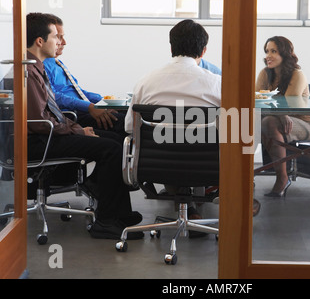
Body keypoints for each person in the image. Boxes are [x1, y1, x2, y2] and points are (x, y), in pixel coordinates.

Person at [25, 12, 142, 240]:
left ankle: (119, 214)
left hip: (51, 134)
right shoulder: (29, 73)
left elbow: (52, 114)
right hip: (41, 141)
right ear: (40, 41)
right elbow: (40, 121)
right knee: (111, 149)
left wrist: (79, 129)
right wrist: (78, 129)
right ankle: (106, 222)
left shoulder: (37, 68)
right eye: (55, 37)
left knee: (116, 142)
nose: (60, 42)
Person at [125, 19, 221, 233]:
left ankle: (185, 205)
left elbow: (130, 128)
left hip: (158, 165)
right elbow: (236, 132)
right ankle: (195, 208)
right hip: (207, 165)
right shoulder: (217, 83)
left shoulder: (145, 82)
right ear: (203, 51)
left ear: (171, 47)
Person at [43, 14, 126, 139]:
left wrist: (101, 102)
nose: (63, 42)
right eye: (58, 37)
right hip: (71, 114)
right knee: (124, 123)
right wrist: (89, 106)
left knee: (125, 114)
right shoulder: (43, 66)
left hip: (82, 109)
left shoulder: (58, 63)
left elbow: (77, 91)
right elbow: (53, 97)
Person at [256, 36, 310, 197]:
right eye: (267, 51)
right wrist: (281, 114)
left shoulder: (297, 74)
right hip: (275, 120)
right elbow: (257, 101)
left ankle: (282, 178)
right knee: (244, 122)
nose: (268, 55)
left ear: (285, 54)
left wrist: (281, 114)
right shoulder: (265, 74)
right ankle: (241, 176)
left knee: (268, 122)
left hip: (304, 123)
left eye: (273, 51)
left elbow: (288, 105)